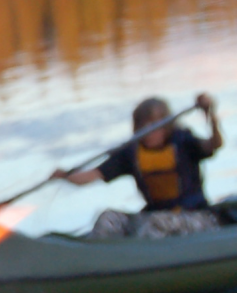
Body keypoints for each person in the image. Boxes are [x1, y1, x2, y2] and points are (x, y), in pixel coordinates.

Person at [54, 93, 223, 239]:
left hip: (195, 217)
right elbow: (94, 174)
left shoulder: (184, 142)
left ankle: (140, 259)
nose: (148, 131)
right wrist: (65, 176)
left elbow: (215, 144)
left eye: (154, 125)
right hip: (152, 216)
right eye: (143, 126)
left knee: (156, 224)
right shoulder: (131, 152)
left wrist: (210, 114)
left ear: (165, 126)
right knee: (108, 218)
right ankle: (97, 261)